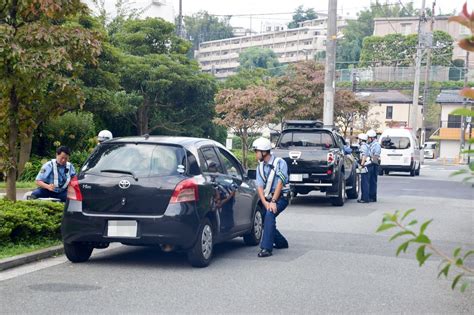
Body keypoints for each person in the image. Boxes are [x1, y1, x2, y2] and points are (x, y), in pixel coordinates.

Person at [252, 137, 290, 258]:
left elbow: (280, 183)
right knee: (264, 216)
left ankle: (266, 248)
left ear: (264, 152)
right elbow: (259, 187)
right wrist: (265, 203)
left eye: (256, 151)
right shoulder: (260, 167)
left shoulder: (280, 163)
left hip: (282, 198)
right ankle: (281, 242)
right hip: (268, 199)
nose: (255, 154)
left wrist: (273, 202)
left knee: (269, 214)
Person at [367, 129, 381, 202]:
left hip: (374, 164)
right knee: (370, 180)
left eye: (368, 138)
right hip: (371, 163)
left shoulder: (376, 145)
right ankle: (370, 195)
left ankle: (372, 196)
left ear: (372, 138)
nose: (368, 139)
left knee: (373, 181)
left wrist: (371, 157)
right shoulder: (371, 144)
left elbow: (376, 155)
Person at [357, 133, 370, 203]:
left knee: (364, 183)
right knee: (364, 182)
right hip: (367, 165)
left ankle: (365, 198)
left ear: (361, 140)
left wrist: (361, 165)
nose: (358, 140)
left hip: (365, 165)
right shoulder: (366, 146)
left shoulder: (363, 146)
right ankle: (364, 198)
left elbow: (364, 156)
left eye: (359, 139)